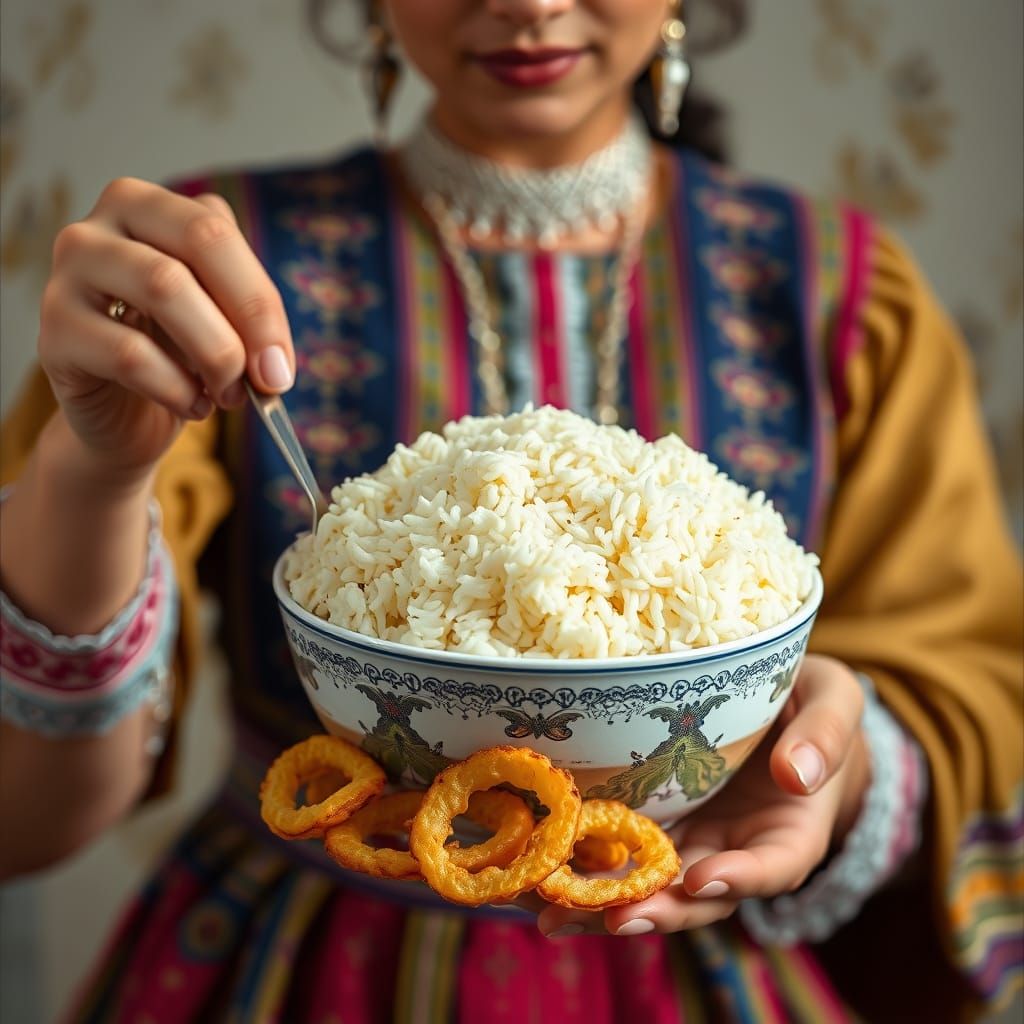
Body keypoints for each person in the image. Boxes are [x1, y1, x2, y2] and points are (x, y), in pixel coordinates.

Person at [1, 1, 1020, 1021]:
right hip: (298, 967)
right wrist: (93, 473)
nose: (528, 3)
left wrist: (829, 773)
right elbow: (26, 816)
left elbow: (970, 681)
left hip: (701, 958)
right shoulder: (197, 283)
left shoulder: (838, 290)